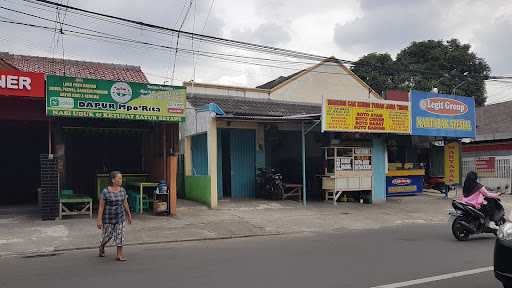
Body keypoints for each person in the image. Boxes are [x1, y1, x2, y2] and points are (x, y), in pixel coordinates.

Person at [97, 171, 132, 261]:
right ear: (113, 180)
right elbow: (101, 207)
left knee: (120, 236)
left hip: (120, 217)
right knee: (107, 236)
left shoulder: (122, 190)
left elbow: (125, 203)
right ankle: (102, 246)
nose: (121, 180)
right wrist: (99, 220)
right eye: (119, 178)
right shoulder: (105, 191)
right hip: (108, 218)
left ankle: (119, 255)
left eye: (121, 178)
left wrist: (129, 215)